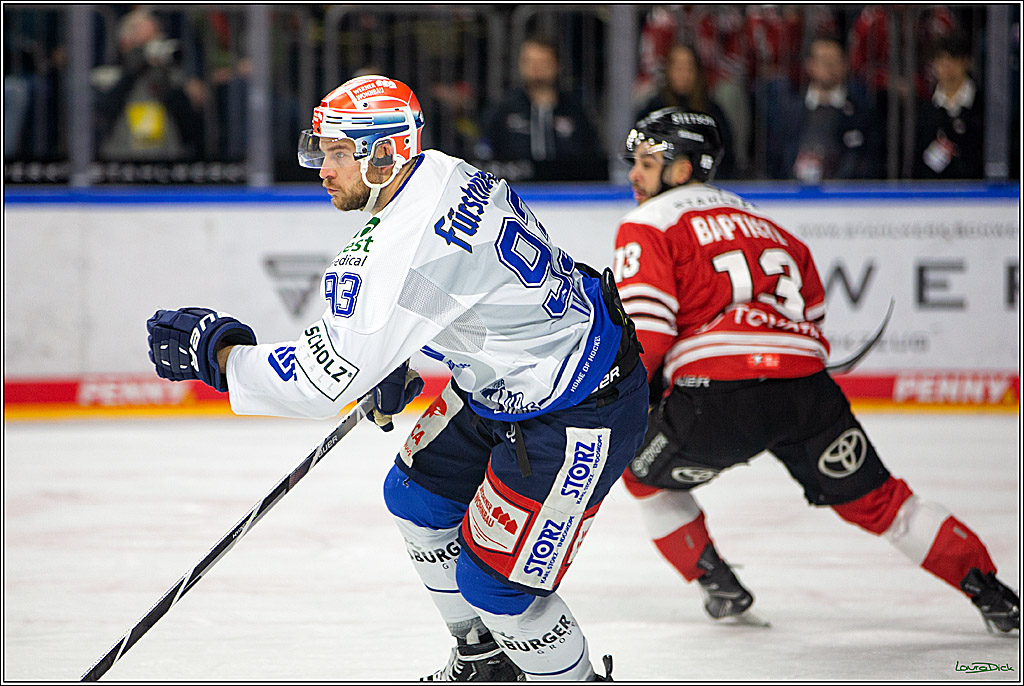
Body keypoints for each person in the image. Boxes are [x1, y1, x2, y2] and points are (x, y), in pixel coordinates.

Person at [146, 75, 648, 680]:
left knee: (497, 589)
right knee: (416, 496)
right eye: (322, 151)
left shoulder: (393, 250)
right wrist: (389, 353)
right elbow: (464, 288)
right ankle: (484, 661)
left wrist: (220, 359)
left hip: (577, 406)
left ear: (384, 153)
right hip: (513, 377)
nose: (323, 169)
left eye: (338, 153)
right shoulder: (441, 169)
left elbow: (319, 384)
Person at [611, 107, 1020, 635]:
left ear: (684, 168)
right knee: (884, 503)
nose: (633, 175)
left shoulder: (648, 223)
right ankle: (992, 591)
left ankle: (717, 583)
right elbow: (812, 324)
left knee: (634, 465)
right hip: (806, 393)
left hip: (715, 398)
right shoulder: (771, 227)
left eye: (645, 162)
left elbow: (649, 333)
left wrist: (619, 402)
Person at [480, 35, 603, 178]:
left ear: (556, 65)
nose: (536, 68)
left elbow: (593, 155)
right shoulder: (503, 109)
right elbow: (485, 154)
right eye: (530, 62)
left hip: (568, 190)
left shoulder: (576, 110)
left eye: (542, 62)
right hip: (515, 188)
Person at [765, 35, 884, 182]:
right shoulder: (789, 111)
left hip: (844, 199)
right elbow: (775, 157)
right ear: (810, 65)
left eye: (834, 61)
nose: (829, 67)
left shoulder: (861, 113)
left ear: (845, 65)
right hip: (793, 198)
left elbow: (869, 161)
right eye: (823, 61)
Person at [92, 7, 205, 162]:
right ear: (125, 44)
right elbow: (103, 115)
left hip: (167, 167)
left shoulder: (171, 79)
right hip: (120, 167)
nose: (152, 48)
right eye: (145, 43)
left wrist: (166, 83)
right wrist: (135, 68)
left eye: (156, 40)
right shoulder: (107, 76)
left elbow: (191, 129)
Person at [636, 44, 737, 180]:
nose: (683, 74)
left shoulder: (711, 111)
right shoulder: (653, 110)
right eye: (678, 68)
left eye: (688, 68)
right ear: (668, 70)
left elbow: (726, 154)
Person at [913, 31, 984, 179]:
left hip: (977, 194)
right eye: (941, 60)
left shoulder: (982, 106)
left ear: (966, 62)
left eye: (953, 59)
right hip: (934, 194)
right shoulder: (926, 110)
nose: (947, 66)